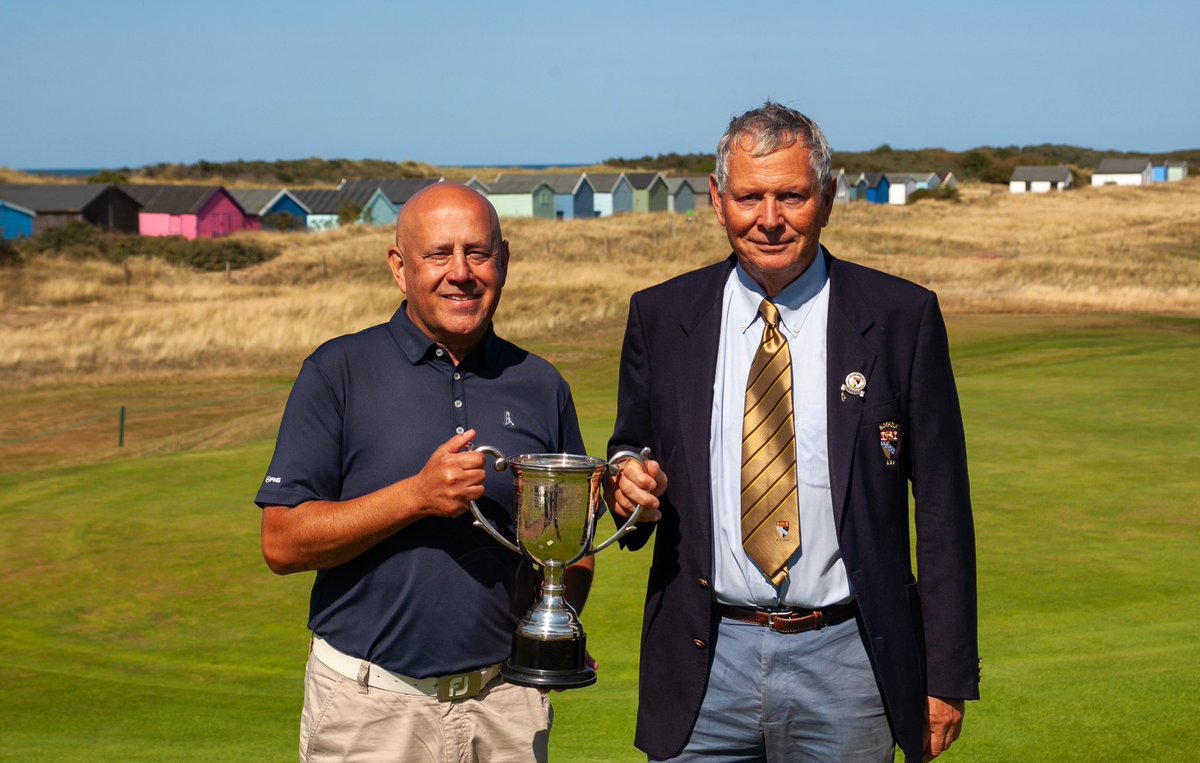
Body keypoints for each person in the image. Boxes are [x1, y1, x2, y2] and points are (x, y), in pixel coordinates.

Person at [608, 102, 979, 762]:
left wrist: (947, 677)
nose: (770, 218)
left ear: (828, 199)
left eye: (792, 195)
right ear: (718, 201)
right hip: (703, 657)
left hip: (849, 662)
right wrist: (626, 487)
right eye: (750, 196)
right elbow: (632, 460)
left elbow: (944, 512)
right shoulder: (661, 317)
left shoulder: (902, 318)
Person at [256, 183, 592, 762]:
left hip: (506, 706)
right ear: (399, 267)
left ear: (503, 262)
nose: (460, 272)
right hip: (370, 710)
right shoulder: (338, 371)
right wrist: (415, 497)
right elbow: (282, 544)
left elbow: (573, 548)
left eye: (478, 253)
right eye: (438, 254)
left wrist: (556, 634)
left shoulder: (540, 385)